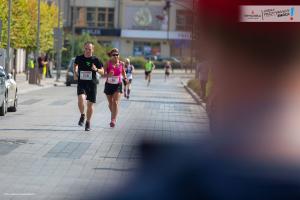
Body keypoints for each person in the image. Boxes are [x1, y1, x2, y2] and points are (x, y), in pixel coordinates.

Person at [74, 42, 104, 131]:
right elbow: (75, 65)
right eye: (86, 49)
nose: (87, 51)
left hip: (92, 84)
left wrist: (96, 69)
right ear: (84, 48)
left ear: (92, 50)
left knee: (90, 105)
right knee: (81, 99)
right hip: (82, 83)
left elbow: (103, 71)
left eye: (89, 49)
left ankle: (88, 122)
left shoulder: (96, 60)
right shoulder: (79, 58)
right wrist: (75, 72)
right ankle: (82, 115)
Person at [104, 48, 128, 128]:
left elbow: (123, 73)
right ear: (111, 56)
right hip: (109, 84)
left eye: (117, 55)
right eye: (113, 55)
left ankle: (113, 120)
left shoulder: (121, 63)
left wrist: (125, 78)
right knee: (110, 103)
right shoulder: (107, 63)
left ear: (119, 55)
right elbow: (103, 74)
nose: (115, 56)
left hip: (118, 84)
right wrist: (108, 75)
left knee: (115, 102)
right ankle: (114, 114)